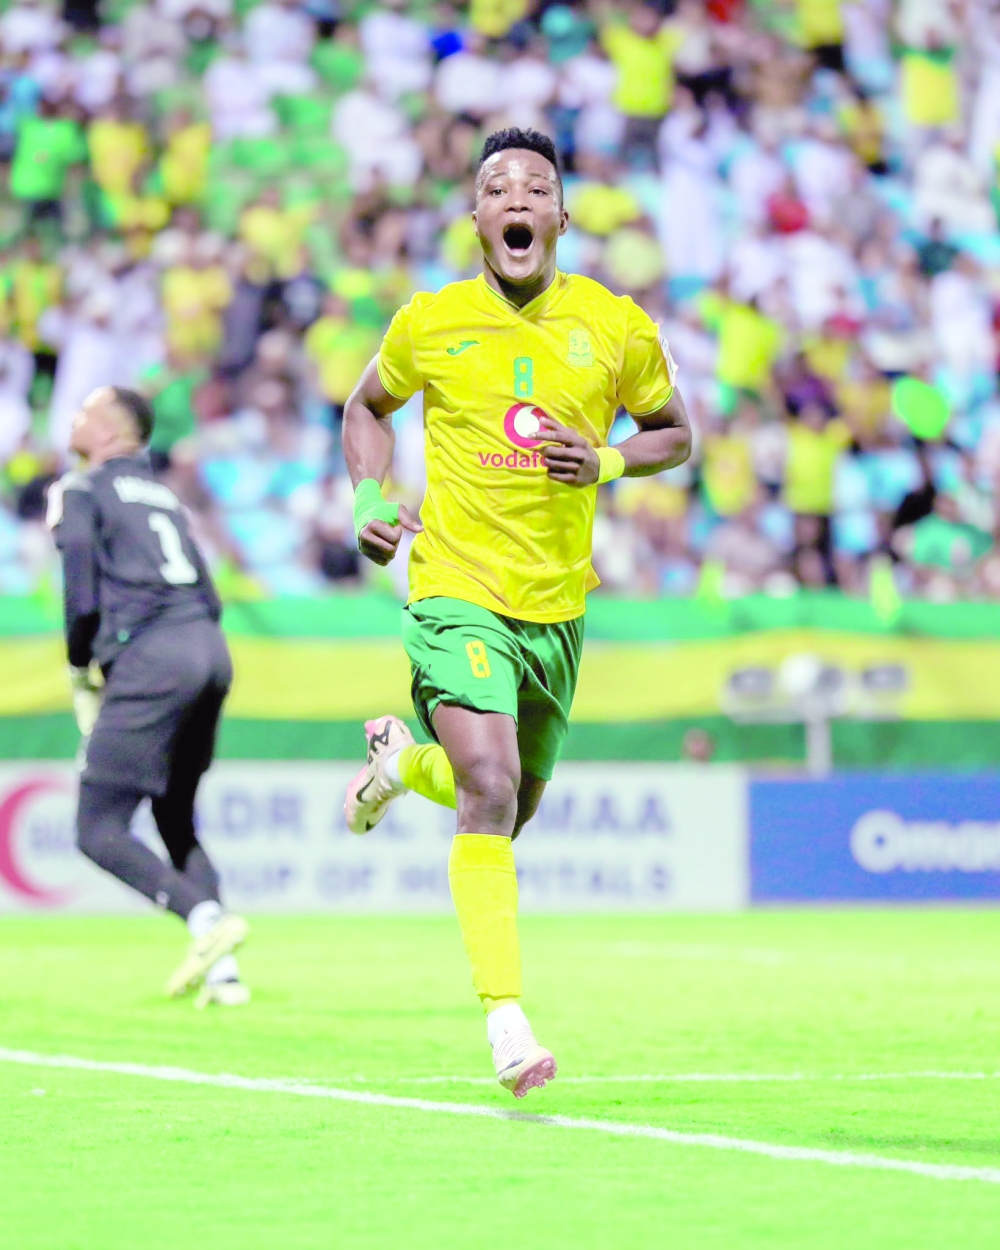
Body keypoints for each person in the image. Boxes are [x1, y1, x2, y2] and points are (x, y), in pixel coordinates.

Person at [341, 127, 691, 1096]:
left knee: (510, 805)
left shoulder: (615, 325)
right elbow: (364, 407)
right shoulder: (432, 320)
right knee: (489, 786)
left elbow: (675, 434)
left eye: (536, 187)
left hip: (557, 608)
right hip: (454, 587)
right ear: (477, 218)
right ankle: (507, 1022)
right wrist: (369, 500)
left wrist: (607, 460)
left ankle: (397, 764)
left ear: (561, 216)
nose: (517, 200)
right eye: (498, 188)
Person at [48, 386, 249, 1007]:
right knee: (175, 817)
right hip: (209, 651)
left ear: (112, 430)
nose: (73, 418)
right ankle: (224, 975)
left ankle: (205, 920)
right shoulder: (165, 497)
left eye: (85, 410)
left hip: (152, 655)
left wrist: (80, 666)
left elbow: (80, 592)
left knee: (97, 828)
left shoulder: (81, 490)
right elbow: (209, 593)